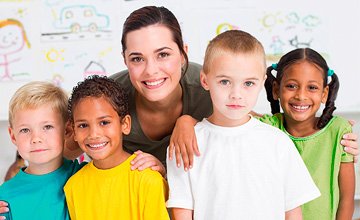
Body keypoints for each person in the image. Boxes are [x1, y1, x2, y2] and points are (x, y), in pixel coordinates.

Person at [64, 5, 358, 174]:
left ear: (183, 54)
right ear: (125, 61)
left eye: (163, 54)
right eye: (137, 59)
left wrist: (331, 136)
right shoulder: (109, 97)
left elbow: (261, 123)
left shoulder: (210, 84)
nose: (151, 70)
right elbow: (67, 142)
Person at [166, 30, 320, 220]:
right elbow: (182, 211)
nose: (236, 94)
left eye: (248, 83)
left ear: (262, 82)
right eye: (224, 81)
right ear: (205, 80)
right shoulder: (186, 144)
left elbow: (293, 212)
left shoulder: (278, 142)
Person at [259, 47, 355, 219]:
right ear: (276, 90)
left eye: (312, 87)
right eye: (291, 86)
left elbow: (346, 200)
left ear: (324, 93)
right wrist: (192, 121)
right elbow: (237, 114)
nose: (301, 96)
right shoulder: (268, 128)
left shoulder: (339, 131)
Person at [64, 75, 169, 220]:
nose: (93, 134)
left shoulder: (148, 180)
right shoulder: (73, 186)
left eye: (104, 122)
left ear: (125, 124)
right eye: (83, 125)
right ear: (74, 131)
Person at [0, 81, 84, 220]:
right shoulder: (5, 197)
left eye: (47, 127)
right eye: (25, 130)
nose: (36, 138)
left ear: (67, 129)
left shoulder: (87, 176)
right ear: (13, 136)